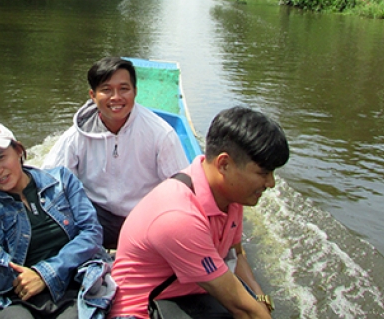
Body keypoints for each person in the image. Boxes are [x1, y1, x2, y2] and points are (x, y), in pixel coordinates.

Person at [108, 106, 290, 319]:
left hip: (188, 300)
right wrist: (255, 308)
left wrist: (259, 298)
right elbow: (242, 308)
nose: (271, 183)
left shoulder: (233, 199)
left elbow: (236, 254)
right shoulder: (178, 216)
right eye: (263, 173)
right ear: (224, 164)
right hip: (143, 312)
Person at [0, 122, 115, 319]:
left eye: (1, 157)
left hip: (76, 282)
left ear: (18, 150)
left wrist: (44, 274)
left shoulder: (61, 181)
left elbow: (91, 233)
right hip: (18, 299)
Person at [42, 57, 190, 249]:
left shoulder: (160, 134)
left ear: (135, 92)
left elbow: (182, 188)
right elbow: (50, 181)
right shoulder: (76, 135)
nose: (116, 98)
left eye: (124, 89)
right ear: (93, 96)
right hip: (95, 216)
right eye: (106, 90)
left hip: (145, 218)